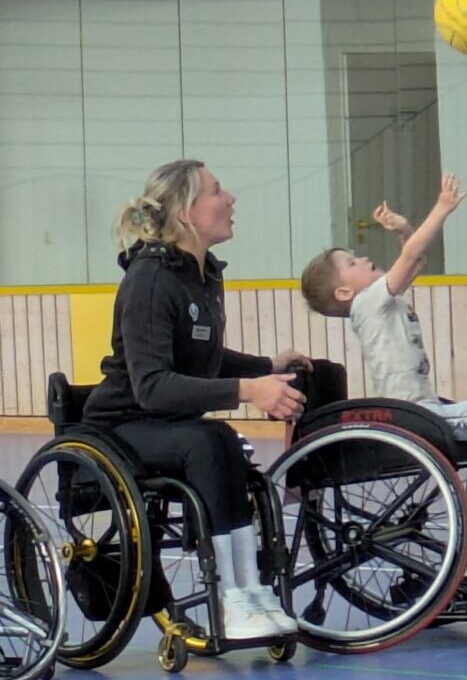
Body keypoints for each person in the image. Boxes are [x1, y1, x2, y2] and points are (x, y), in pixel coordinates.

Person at [82, 159, 307, 641]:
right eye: (217, 191)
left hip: (168, 422)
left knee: (222, 442)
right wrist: (249, 391)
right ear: (185, 212)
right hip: (120, 426)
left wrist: (265, 368)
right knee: (209, 440)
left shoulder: (201, 274)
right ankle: (228, 595)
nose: (230, 200)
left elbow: (201, 354)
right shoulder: (149, 280)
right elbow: (153, 386)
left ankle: (249, 590)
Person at [300, 174, 467, 570]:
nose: (365, 258)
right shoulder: (369, 303)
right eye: (353, 262)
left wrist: (405, 229)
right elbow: (408, 260)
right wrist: (441, 208)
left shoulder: (378, 301)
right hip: (408, 410)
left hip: (417, 405)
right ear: (343, 293)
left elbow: (414, 260)